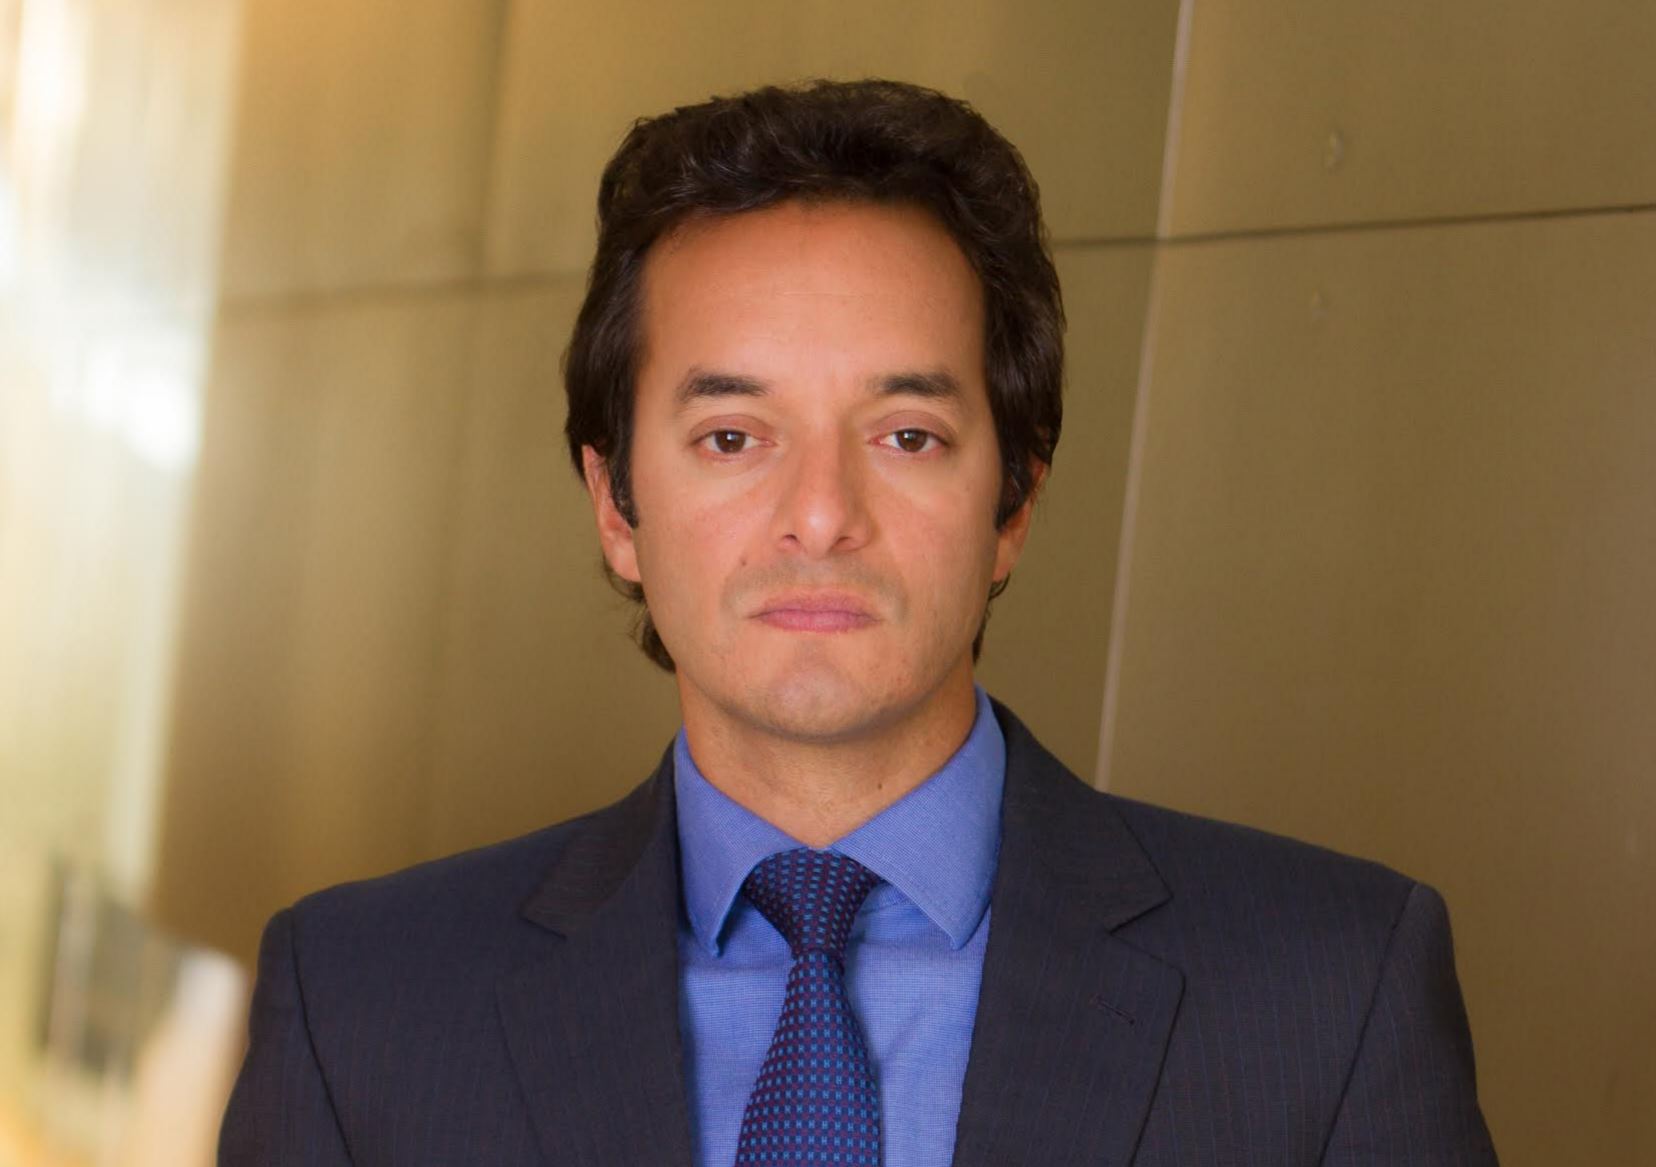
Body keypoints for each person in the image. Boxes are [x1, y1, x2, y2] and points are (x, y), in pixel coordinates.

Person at [219, 79, 1497, 1166]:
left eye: (906, 436)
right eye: (733, 437)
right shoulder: (363, 1006)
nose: (821, 516)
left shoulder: (1331, 994)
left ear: (1014, 501)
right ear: (617, 506)